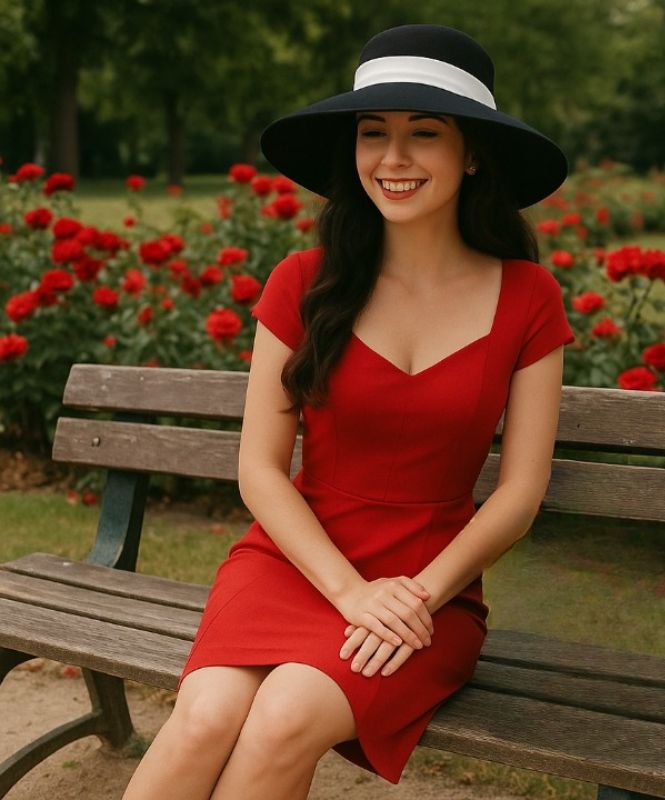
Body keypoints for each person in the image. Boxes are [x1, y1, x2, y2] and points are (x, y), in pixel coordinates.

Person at [122, 22, 575, 800]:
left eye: (423, 133)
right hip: (293, 562)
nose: (393, 158)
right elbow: (259, 470)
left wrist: (412, 596)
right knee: (203, 718)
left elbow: (520, 493)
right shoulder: (303, 281)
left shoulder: (528, 296)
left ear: (471, 154)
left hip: (428, 590)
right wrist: (348, 591)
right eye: (373, 133)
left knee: (282, 719)